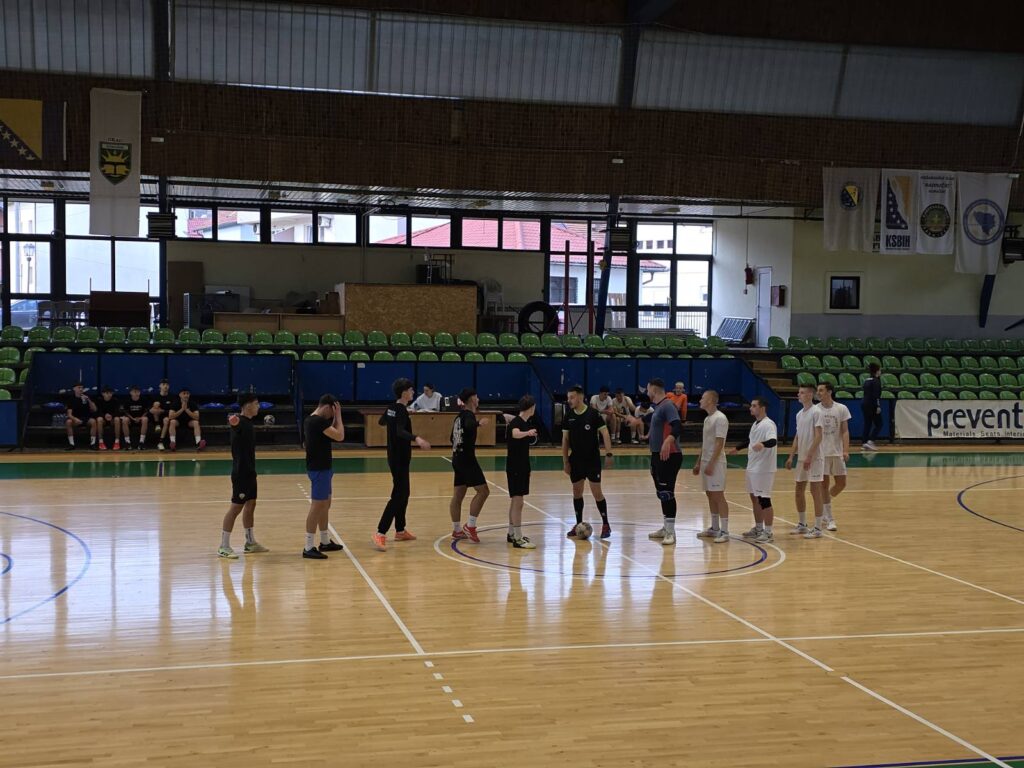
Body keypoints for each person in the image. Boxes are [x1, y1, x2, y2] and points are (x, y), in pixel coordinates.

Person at [374, 378, 431, 552]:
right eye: (411, 390)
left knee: (404, 493)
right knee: (399, 495)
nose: (413, 392)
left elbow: (381, 422)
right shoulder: (400, 410)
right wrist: (417, 438)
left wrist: (393, 419)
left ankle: (400, 530)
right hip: (399, 457)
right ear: (404, 392)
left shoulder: (392, 408)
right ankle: (380, 532)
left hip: (396, 456)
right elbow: (399, 431)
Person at [625, 378, 682, 546]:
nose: (647, 392)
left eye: (648, 389)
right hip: (657, 455)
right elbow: (652, 418)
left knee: (667, 493)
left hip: (669, 455)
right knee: (662, 493)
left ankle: (671, 532)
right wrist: (637, 421)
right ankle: (666, 527)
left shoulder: (668, 406)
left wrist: (668, 440)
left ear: (654, 390)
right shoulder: (659, 407)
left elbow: (677, 426)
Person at [218, 393, 269, 559]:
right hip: (241, 473)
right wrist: (233, 420)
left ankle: (250, 542)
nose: (258, 406)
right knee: (236, 508)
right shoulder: (240, 422)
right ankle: (224, 546)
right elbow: (235, 423)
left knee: (251, 504)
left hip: (250, 472)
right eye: (256, 403)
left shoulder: (249, 422)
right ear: (247, 405)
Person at [562, 385, 613, 539]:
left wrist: (608, 454)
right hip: (576, 460)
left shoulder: (593, 414)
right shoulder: (568, 416)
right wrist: (565, 461)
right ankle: (579, 524)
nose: (569, 400)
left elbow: (605, 432)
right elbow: (565, 440)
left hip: (592, 460)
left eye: (571, 397)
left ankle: (606, 524)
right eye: (568, 397)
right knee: (577, 492)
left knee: (597, 492)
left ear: (580, 397)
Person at [729, 396, 778, 543]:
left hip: (763, 468)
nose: (751, 408)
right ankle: (758, 528)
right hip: (752, 467)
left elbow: (773, 441)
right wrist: (738, 448)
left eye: (754, 406)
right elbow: (751, 441)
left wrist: (763, 444)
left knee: (764, 499)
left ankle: (768, 532)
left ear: (762, 408)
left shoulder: (768, 424)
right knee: (754, 498)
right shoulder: (755, 424)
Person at [302, 394, 346, 559]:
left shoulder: (311, 420)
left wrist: (334, 417)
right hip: (319, 469)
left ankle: (325, 540)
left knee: (325, 504)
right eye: (332, 412)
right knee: (318, 505)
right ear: (328, 407)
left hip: (323, 467)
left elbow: (331, 431)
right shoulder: (317, 422)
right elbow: (340, 436)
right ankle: (308, 546)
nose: (331, 417)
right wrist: (339, 416)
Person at [785, 384, 826, 539]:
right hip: (802, 458)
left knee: (815, 491)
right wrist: (791, 456)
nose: (798, 395)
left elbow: (819, 436)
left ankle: (818, 528)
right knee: (798, 490)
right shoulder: (799, 414)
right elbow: (797, 436)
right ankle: (802, 524)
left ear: (809, 395)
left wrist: (809, 456)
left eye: (801, 393)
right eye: (799, 392)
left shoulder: (817, 412)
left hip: (814, 458)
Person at [449, 387, 490, 542]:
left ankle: (457, 530)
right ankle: (470, 526)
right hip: (467, 459)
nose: (478, 400)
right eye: (476, 397)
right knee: (483, 491)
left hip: (456, 458)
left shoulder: (458, 417)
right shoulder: (468, 415)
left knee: (458, 495)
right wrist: (479, 423)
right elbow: (469, 425)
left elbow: (451, 438)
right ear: (472, 399)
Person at [693, 390, 730, 544]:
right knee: (710, 494)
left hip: (716, 463)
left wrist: (712, 463)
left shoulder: (720, 418)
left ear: (710, 400)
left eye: (703, 398)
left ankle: (725, 531)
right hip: (706, 462)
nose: (700, 400)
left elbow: (719, 443)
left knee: (718, 495)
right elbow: (706, 443)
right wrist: (699, 462)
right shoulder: (707, 419)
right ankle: (715, 528)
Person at [505, 394, 538, 549]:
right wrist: (528, 433)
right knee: (518, 502)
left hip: (522, 466)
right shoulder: (517, 423)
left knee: (515, 501)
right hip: (516, 467)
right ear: (531, 408)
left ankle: (512, 533)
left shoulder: (523, 422)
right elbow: (515, 433)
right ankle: (518, 538)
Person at [816, 382, 851, 531]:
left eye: (821, 390)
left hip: (837, 452)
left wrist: (846, 450)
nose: (818, 393)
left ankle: (825, 504)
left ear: (829, 392)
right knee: (823, 485)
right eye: (818, 390)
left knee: (841, 483)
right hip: (822, 453)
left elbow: (845, 431)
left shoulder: (841, 408)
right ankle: (829, 518)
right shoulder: (815, 410)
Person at [164, 388, 206, 452]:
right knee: (172, 421)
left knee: (196, 422)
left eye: (187, 393)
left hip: (189, 422)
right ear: (180, 395)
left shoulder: (192, 403)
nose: (186, 395)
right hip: (178, 422)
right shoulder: (175, 403)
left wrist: (186, 410)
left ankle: (198, 442)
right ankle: (172, 443)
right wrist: (182, 409)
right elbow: (170, 416)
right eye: (184, 393)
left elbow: (197, 417)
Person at [64, 382, 97, 451]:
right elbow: (69, 414)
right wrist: (75, 419)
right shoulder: (71, 399)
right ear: (74, 389)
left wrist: (88, 400)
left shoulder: (87, 396)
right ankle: (71, 444)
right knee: (68, 422)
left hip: (86, 418)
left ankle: (92, 444)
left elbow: (94, 409)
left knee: (93, 421)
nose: (81, 389)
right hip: (75, 419)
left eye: (82, 388)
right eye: (79, 388)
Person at [120, 385, 149, 451]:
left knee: (145, 419)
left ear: (139, 392)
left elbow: (146, 412)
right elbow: (126, 412)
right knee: (124, 420)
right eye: (134, 391)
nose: (135, 393)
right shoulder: (127, 401)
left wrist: (140, 418)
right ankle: (127, 443)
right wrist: (132, 418)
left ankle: (141, 442)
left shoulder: (143, 400)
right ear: (130, 393)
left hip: (140, 419)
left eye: (137, 391)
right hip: (131, 419)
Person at [861, 363, 882, 451]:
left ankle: (864, 443)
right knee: (879, 424)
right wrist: (878, 406)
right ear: (877, 371)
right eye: (880, 370)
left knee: (868, 423)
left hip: (864, 403)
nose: (880, 372)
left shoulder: (867, 380)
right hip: (872, 404)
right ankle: (871, 441)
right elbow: (876, 395)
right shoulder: (876, 381)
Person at [95, 386, 122, 451]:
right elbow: (98, 412)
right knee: (99, 419)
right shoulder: (99, 401)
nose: (109, 395)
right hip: (103, 419)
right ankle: (101, 442)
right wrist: (105, 416)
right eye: (107, 393)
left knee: (117, 419)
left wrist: (111, 416)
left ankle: (117, 442)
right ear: (103, 394)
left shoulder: (115, 400)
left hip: (112, 419)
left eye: (110, 393)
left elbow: (118, 412)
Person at [152, 379, 174, 449]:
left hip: (166, 415)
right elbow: (150, 409)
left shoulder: (172, 397)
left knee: (166, 420)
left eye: (167, 385)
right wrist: (155, 410)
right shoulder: (155, 396)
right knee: (156, 404)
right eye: (163, 384)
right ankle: (157, 424)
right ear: (160, 386)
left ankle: (161, 442)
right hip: (155, 416)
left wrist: (162, 411)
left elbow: (172, 410)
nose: (165, 386)